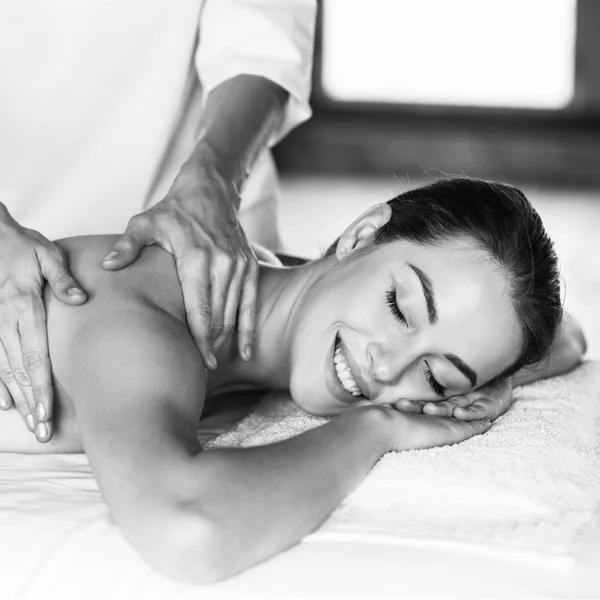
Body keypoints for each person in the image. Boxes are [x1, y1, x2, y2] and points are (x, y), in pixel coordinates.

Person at [0, 177, 585, 583]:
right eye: (399, 307)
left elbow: (568, 337)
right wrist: (377, 427)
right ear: (359, 235)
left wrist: (487, 380)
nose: (386, 367)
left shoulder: (271, 286)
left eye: (433, 374)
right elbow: (185, 528)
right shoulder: (143, 323)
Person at [0, 0, 317, 439]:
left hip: (207, 217)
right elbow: (169, 501)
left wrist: (213, 176)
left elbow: (261, 33)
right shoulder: (130, 340)